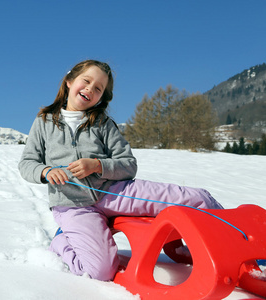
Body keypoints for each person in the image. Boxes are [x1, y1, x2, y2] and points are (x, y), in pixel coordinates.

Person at [18, 59, 223, 281]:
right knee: (101, 271)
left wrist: (98, 165)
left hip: (115, 191)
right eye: (86, 81)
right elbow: (27, 163)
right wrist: (45, 171)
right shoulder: (44, 122)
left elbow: (128, 164)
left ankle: (234, 247)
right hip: (73, 207)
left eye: (98, 88)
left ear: (101, 97)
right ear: (69, 81)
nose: (90, 89)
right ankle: (62, 242)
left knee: (197, 198)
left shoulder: (102, 123)